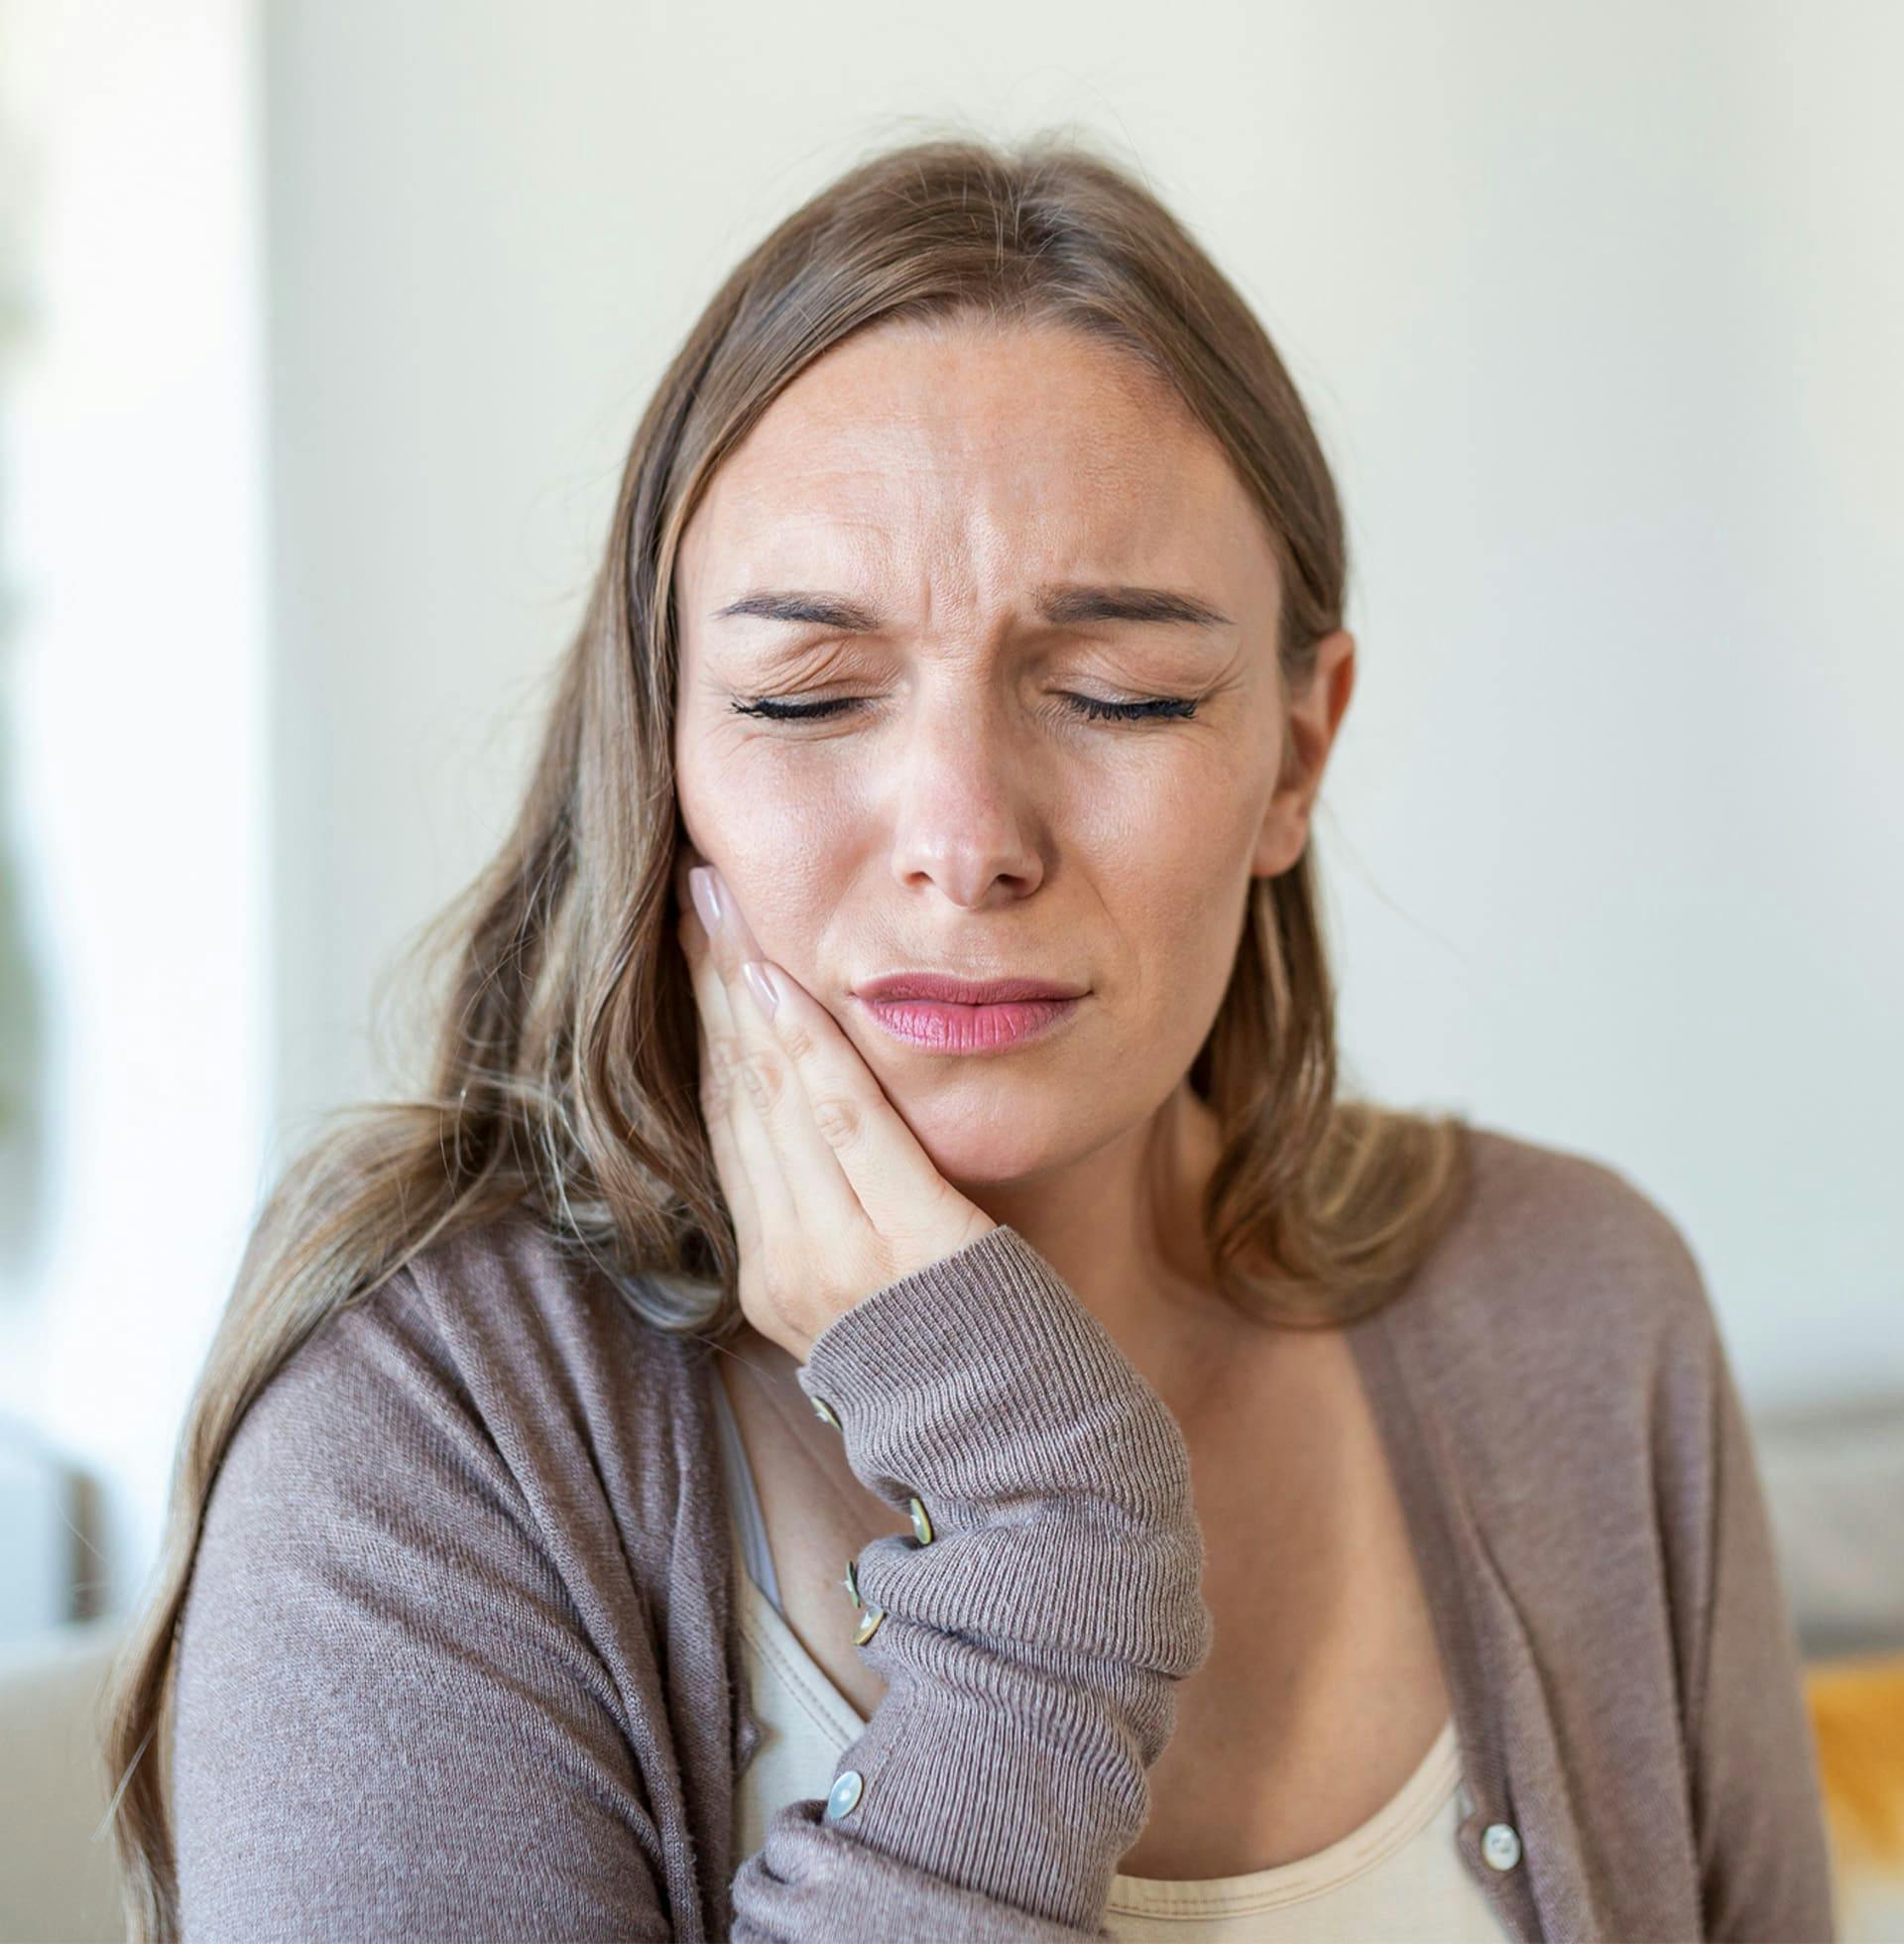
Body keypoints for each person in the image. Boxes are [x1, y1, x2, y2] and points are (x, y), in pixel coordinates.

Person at [100, 132, 1837, 1942]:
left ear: (1298, 753)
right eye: (808, 696)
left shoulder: (1580, 1307)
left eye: (1118, 693)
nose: (965, 835)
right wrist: (1049, 1533)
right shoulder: (430, 1428)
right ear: (668, 748)